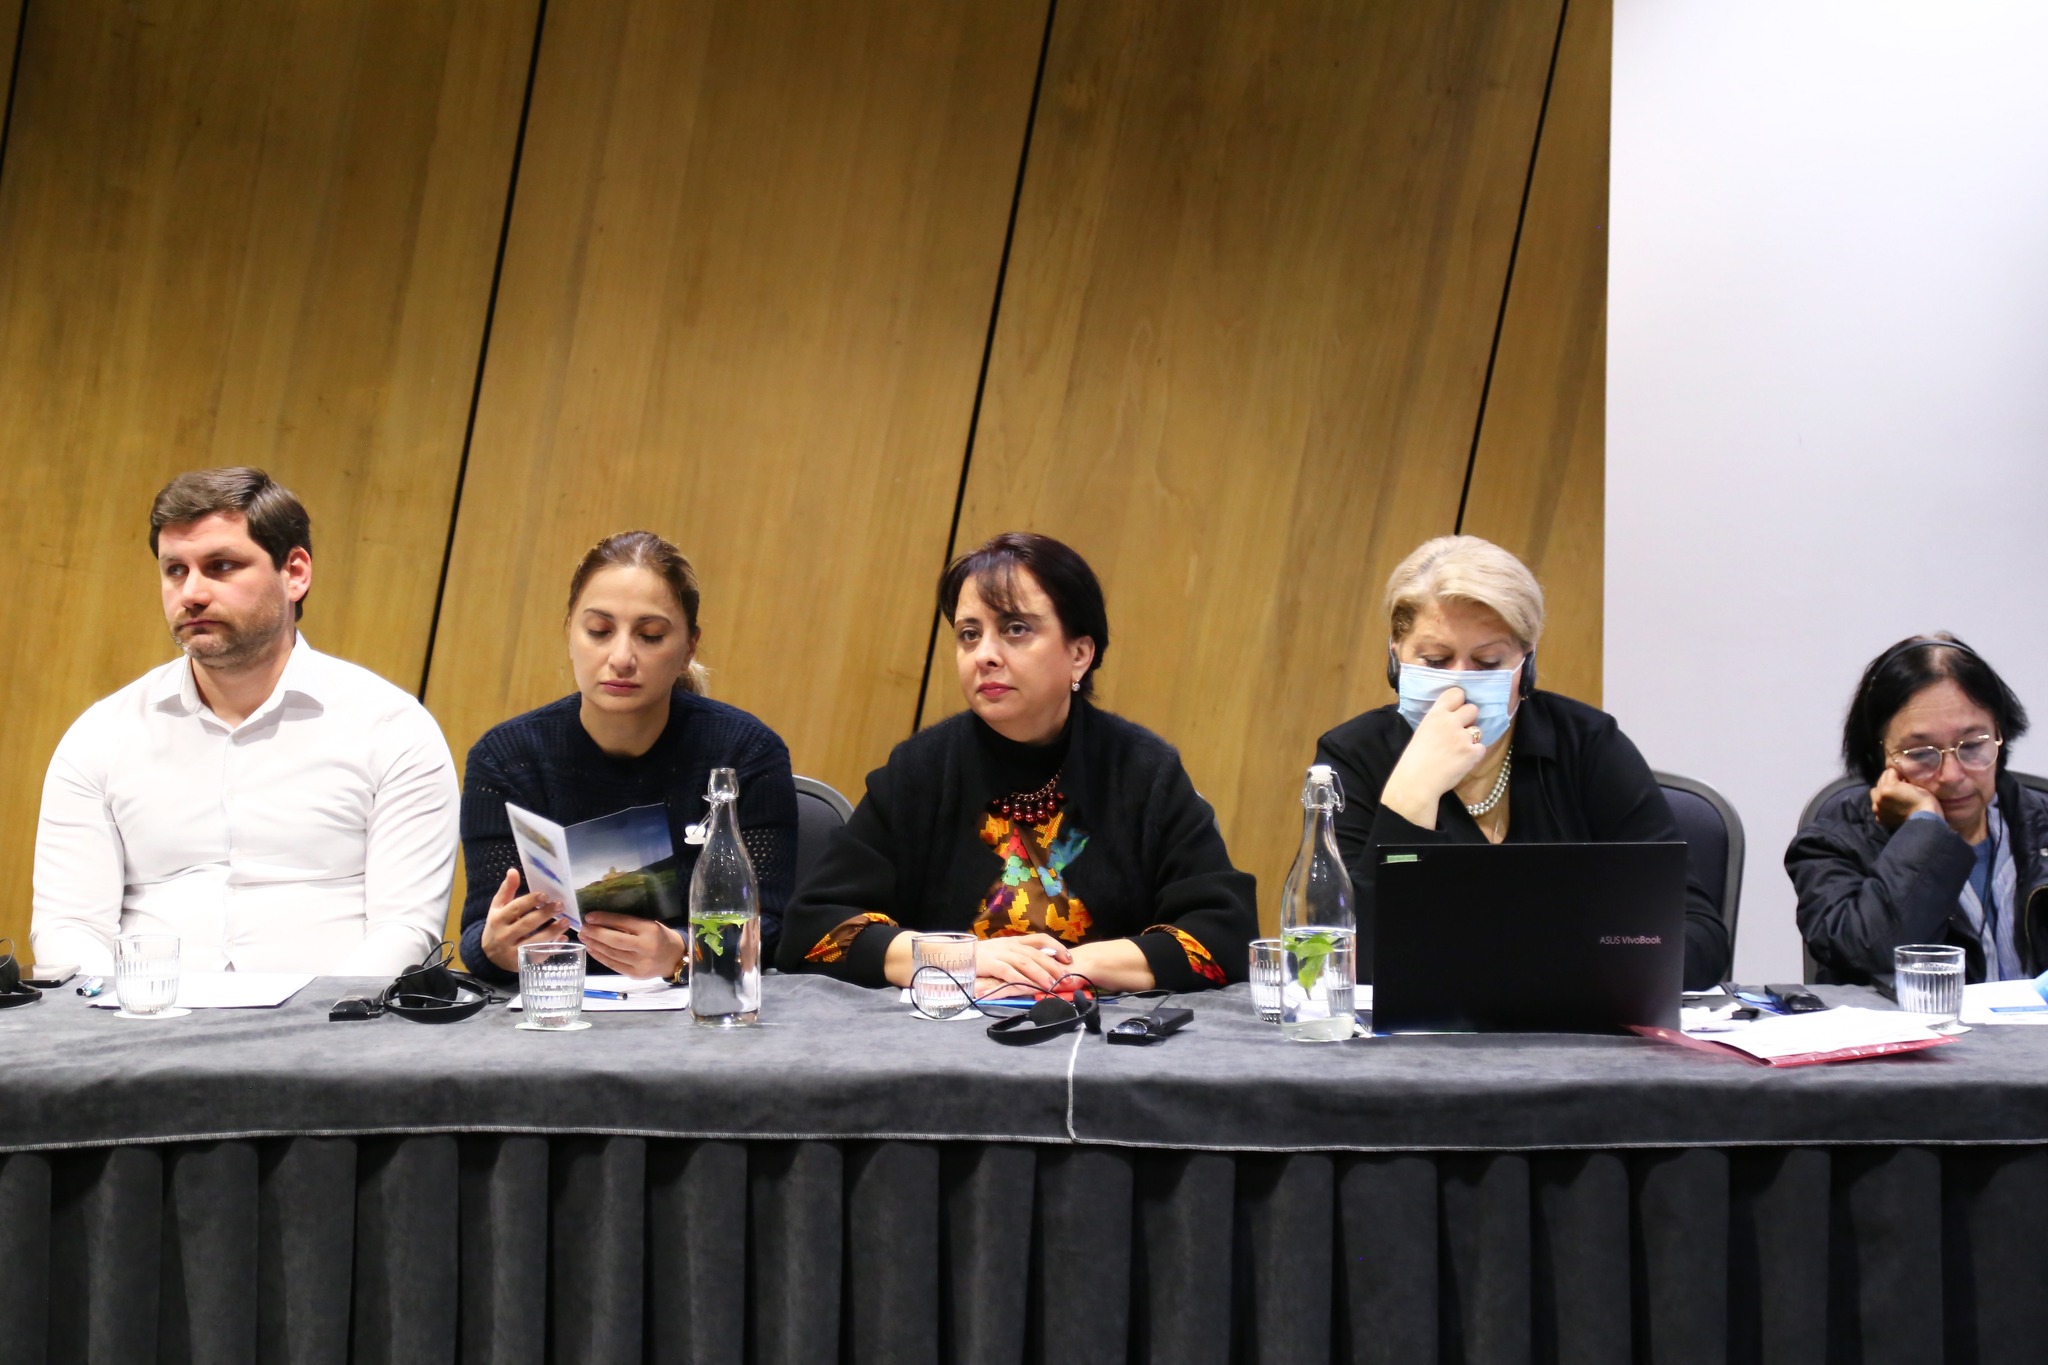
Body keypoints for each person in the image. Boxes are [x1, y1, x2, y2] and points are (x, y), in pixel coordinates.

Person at [777, 532, 1256, 993]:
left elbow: (1228, 936)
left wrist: (1071, 967)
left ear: (1079, 654)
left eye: (1015, 629)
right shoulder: (920, 771)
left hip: (1097, 1034)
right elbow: (812, 929)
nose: (984, 655)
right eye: (969, 635)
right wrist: (952, 957)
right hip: (944, 1033)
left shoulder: (1143, 772)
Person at [32, 468, 459, 976]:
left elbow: (406, 929)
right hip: (143, 1014)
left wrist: (320, 1015)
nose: (191, 593)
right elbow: (69, 926)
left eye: (221, 566)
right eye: (175, 570)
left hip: (332, 1016)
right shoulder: (102, 735)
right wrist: (117, 1006)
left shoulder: (392, 729)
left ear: (295, 573)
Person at [1313, 535, 1729, 990]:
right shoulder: (1352, 756)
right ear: (1395, 656)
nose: (1459, 685)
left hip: (1576, 1018)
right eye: (1435, 660)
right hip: (1420, 1031)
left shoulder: (1588, 745)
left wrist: (1573, 966)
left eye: (1488, 662)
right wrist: (1412, 795)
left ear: (1525, 666)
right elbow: (1339, 956)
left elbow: (1699, 935)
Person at [460, 531, 797, 984]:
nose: (621, 657)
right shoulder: (505, 758)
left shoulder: (745, 753)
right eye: (599, 631)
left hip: (694, 1006)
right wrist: (496, 948)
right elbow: (479, 929)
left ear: (688, 649)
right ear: (570, 634)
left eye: (650, 636)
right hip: (554, 1002)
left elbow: (774, 926)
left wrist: (683, 952)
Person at [1788, 635, 2046, 986]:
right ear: (1877, 756)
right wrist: (1925, 827)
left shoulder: (2040, 826)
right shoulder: (1830, 846)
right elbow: (1874, 956)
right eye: (1922, 754)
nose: (1952, 775)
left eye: (1972, 746)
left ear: (2001, 735)